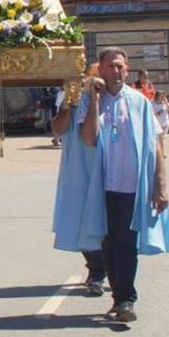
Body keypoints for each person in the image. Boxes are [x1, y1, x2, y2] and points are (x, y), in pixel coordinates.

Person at [75, 48, 169, 322]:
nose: (115, 72)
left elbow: (156, 145)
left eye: (120, 67)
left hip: (133, 187)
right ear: (101, 70)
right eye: (110, 67)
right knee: (109, 243)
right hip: (103, 186)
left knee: (127, 244)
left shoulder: (139, 102)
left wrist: (161, 187)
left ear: (127, 69)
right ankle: (119, 297)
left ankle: (126, 299)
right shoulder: (90, 100)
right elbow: (89, 139)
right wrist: (95, 100)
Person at [50, 72, 108, 297]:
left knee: (108, 220)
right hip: (78, 168)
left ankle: (109, 270)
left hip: (108, 167)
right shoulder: (72, 101)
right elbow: (58, 129)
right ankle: (96, 270)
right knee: (80, 217)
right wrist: (68, 105)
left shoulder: (114, 100)